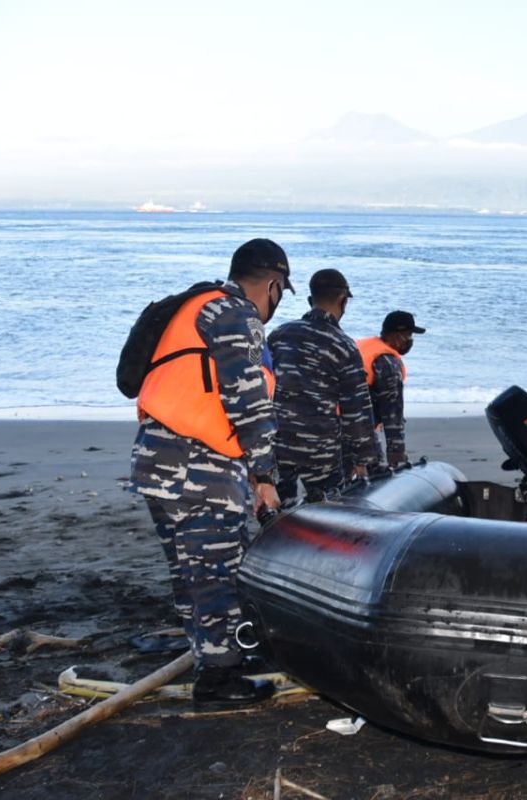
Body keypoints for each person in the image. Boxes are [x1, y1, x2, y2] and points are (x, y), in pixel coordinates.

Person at [129, 237, 289, 708]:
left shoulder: (197, 308)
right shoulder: (236, 315)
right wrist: (265, 475)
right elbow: (247, 398)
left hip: (158, 460)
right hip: (198, 469)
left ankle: (209, 654)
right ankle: (220, 678)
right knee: (219, 573)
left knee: (189, 571)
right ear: (274, 286)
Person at [269, 268, 378, 504]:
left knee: (277, 514)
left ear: (310, 300)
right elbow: (356, 411)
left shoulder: (279, 335)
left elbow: (259, 381)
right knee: (326, 515)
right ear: (343, 301)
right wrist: (365, 457)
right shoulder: (344, 346)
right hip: (320, 451)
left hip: (277, 443)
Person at [357, 310, 426, 467]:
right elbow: (392, 414)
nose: (410, 341)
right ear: (395, 336)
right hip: (358, 431)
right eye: (409, 335)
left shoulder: (363, 346)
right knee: (374, 477)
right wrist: (397, 455)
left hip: (332, 422)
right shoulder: (388, 363)